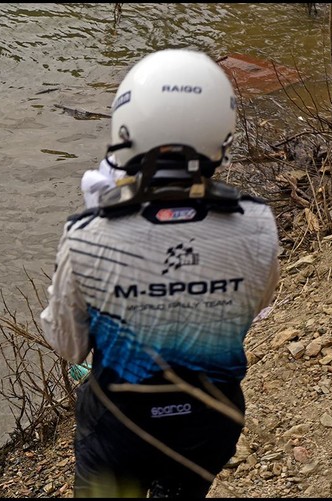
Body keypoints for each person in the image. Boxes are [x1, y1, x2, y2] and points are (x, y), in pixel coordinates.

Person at [40, 49, 281, 498]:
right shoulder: (257, 223)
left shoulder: (89, 232)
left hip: (121, 427)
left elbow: (69, 346)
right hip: (211, 421)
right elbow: (258, 303)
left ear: (125, 131)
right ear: (221, 134)